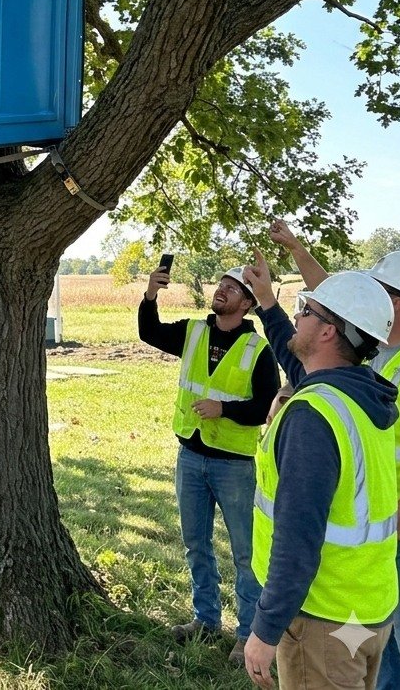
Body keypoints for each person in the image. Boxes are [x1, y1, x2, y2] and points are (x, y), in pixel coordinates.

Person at [242, 258, 398, 689]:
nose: (298, 316)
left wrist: (265, 630)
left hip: (322, 619)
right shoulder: (362, 395)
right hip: (366, 609)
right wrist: (267, 304)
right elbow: (301, 368)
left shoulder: (314, 416)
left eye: (306, 310)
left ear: (329, 331)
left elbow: (297, 538)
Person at [138, 264, 280, 664]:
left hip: (233, 465)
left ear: (248, 304)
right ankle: (205, 619)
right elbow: (149, 332)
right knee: (196, 544)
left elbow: (264, 408)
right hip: (191, 456)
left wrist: (224, 408)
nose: (222, 291)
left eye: (232, 289)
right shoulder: (194, 331)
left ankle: (248, 632)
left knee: (244, 554)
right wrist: (150, 294)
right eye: (221, 284)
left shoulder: (259, 350)